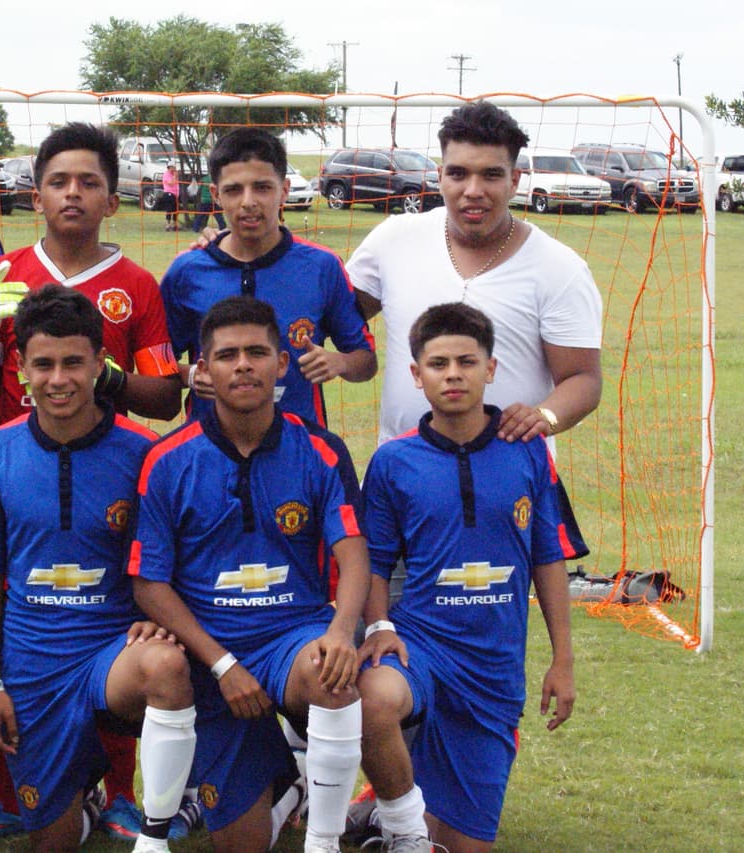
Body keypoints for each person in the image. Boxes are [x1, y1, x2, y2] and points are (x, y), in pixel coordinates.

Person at [130, 296, 371, 853]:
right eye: (227, 355)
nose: (243, 365)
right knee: (240, 845)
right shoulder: (167, 458)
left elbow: (354, 555)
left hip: (293, 637)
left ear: (282, 363)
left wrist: (340, 633)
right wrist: (221, 663)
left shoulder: (321, 449)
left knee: (332, 674)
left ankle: (324, 842)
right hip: (209, 652)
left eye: (257, 353)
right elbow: (148, 582)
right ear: (204, 372)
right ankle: (285, 782)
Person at [0, 286, 198, 853]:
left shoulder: (143, 451)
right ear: (20, 368)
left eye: (74, 363)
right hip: (33, 664)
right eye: (42, 364)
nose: (58, 379)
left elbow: (166, 565)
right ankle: (85, 805)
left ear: (100, 364)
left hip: (111, 655)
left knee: (165, 666)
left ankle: (157, 835)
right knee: (53, 841)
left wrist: (155, 622)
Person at [355, 302, 577, 853]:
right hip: (420, 650)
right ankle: (400, 825)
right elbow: (373, 563)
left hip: (493, 668)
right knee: (372, 699)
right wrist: (380, 625)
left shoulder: (527, 452)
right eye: (437, 364)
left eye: (465, 361)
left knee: (462, 847)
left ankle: (384, 825)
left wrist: (562, 659)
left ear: (491, 369)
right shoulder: (392, 462)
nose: (452, 373)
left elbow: (548, 558)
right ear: (416, 376)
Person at [345, 100, 603, 447]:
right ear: (439, 177)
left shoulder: (559, 268)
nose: (473, 190)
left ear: (514, 181)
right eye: (458, 173)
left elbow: (583, 378)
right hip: (404, 478)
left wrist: (544, 417)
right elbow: (333, 315)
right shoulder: (393, 239)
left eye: (491, 175)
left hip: (509, 478)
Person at [0, 121, 181, 429]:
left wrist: (103, 376)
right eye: (58, 182)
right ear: (37, 200)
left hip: (102, 463)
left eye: (89, 183)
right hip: (21, 463)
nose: (72, 192)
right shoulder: (2, 275)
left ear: (112, 203)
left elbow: (166, 401)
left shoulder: (137, 284)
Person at [161, 127, 376, 429]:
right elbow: (154, 361)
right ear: (216, 194)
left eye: (262, 187)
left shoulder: (322, 266)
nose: (248, 201)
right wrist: (191, 375)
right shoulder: (187, 271)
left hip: (299, 447)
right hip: (209, 447)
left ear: (284, 190)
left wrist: (338, 362)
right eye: (234, 189)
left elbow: (365, 361)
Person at [162, 161, 180, 231]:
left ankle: (175, 225)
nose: (174, 169)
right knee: (169, 209)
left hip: (175, 194)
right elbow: (171, 183)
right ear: (170, 167)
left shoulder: (174, 174)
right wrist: (175, 176)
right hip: (169, 194)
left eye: (175, 167)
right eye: (173, 167)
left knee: (176, 210)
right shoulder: (166, 174)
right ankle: (168, 225)